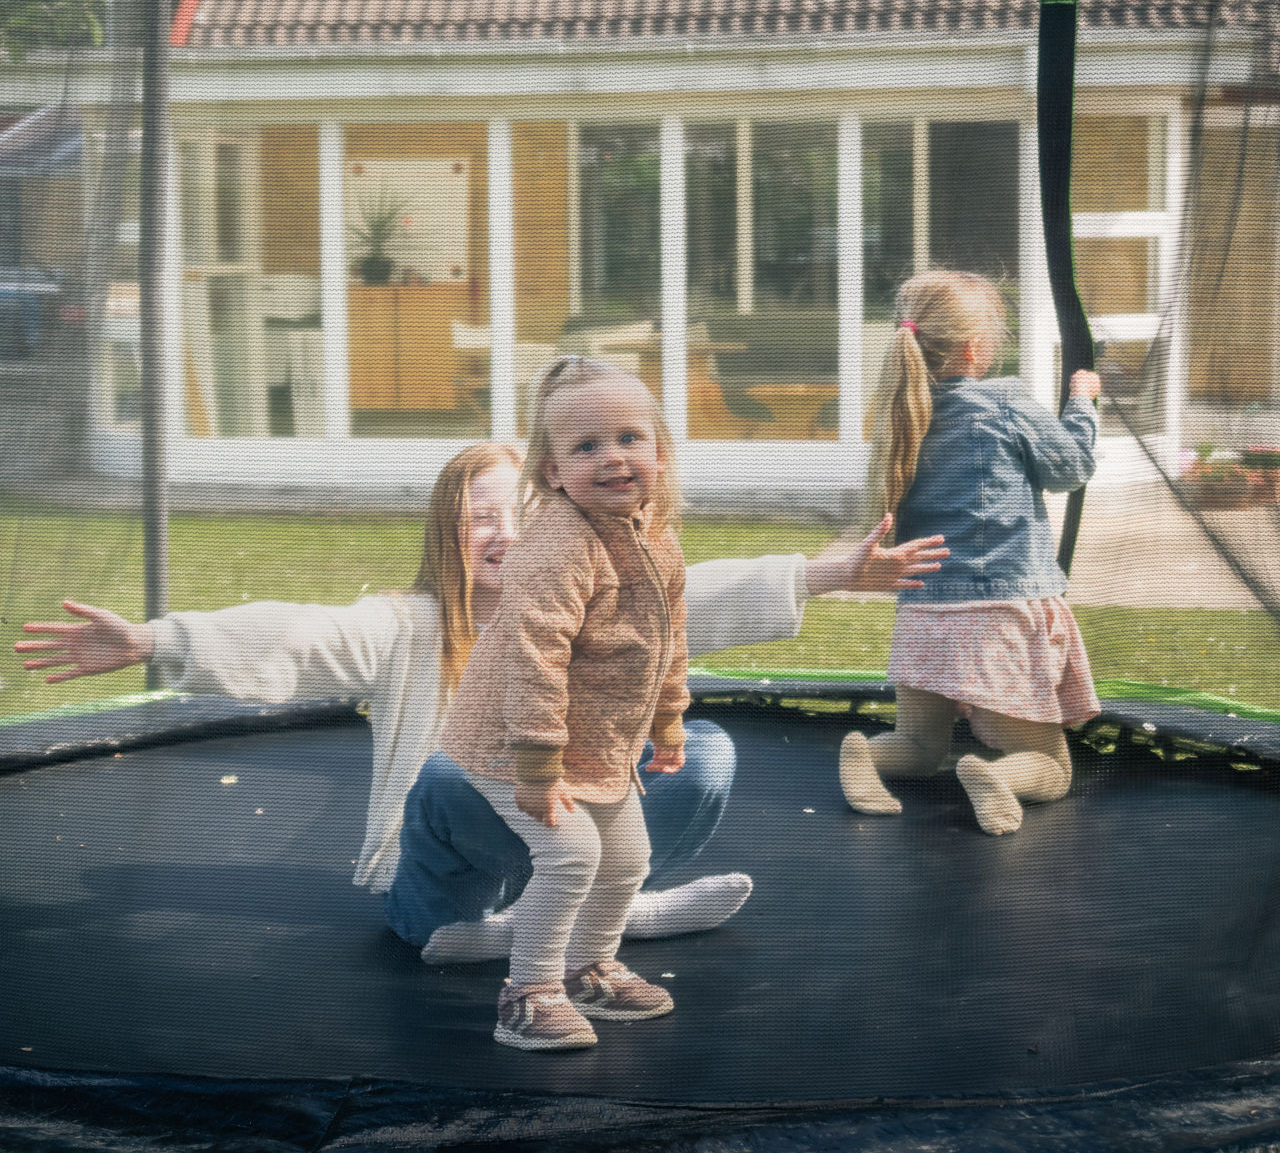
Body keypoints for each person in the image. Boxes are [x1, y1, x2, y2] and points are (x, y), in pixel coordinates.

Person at [16, 439, 946, 953]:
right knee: (454, 778)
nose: (501, 534)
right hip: (435, 893)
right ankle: (568, 929)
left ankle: (589, 918)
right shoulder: (408, 624)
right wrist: (154, 642)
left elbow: (696, 593)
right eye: (478, 519)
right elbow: (295, 633)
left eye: (518, 515)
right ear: (450, 535)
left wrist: (832, 574)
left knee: (707, 754)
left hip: (557, 851)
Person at [434, 353, 694, 1050]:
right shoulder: (557, 548)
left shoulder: (656, 538)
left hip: (594, 740)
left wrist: (669, 717)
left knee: (627, 857)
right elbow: (533, 658)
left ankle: (588, 970)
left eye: (629, 439)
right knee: (573, 852)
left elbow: (669, 635)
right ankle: (527, 992)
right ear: (552, 472)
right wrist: (538, 769)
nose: (612, 458)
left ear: (660, 453)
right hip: (510, 737)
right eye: (586, 447)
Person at [838, 267, 1101, 836]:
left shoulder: (900, 412)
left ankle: (867, 754)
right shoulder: (1004, 401)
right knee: (1054, 768)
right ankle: (1000, 777)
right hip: (999, 610)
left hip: (925, 614)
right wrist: (1082, 403)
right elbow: (1070, 468)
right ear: (975, 348)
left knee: (921, 745)